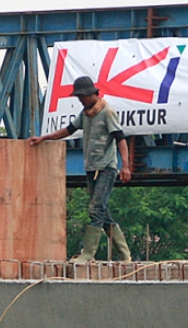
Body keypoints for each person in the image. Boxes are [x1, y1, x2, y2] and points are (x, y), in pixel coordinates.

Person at [28, 75, 132, 262]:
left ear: (93, 94)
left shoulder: (107, 112)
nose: (81, 100)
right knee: (102, 211)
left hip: (106, 168)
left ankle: (88, 254)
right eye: (79, 97)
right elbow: (68, 130)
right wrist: (44, 138)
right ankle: (126, 255)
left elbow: (120, 139)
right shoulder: (85, 114)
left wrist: (125, 166)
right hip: (91, 168)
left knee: (95, 209)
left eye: (83, 96)